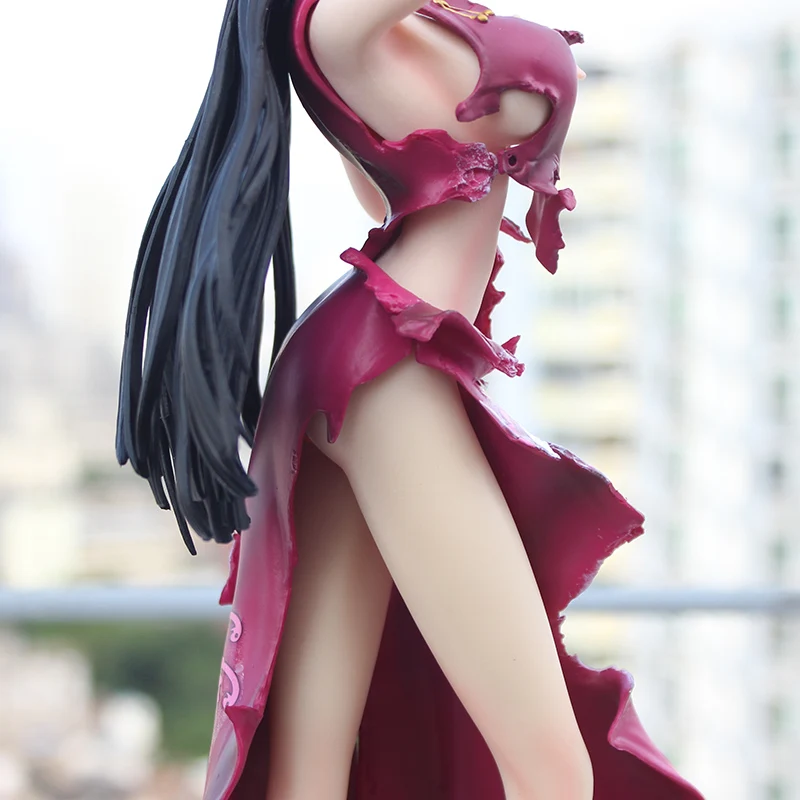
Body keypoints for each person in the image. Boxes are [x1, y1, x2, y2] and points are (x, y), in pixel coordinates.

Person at [117, 0, 705, 797]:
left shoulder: (371, 32)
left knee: (308, 770)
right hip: (387, 369)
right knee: (552, 772)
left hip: (364, 361)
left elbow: (381, 192)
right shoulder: (333, 23)